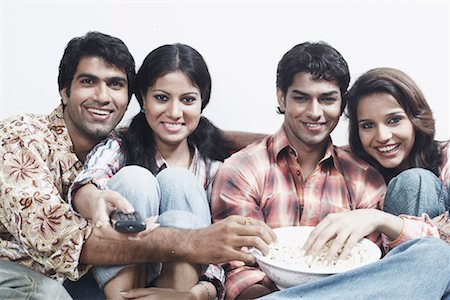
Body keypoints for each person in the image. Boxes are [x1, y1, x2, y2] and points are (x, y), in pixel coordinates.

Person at [0, 31, 275, 300]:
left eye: (115, 84)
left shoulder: (133, 140)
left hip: (104, 277)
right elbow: (59, 237)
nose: (102, 96)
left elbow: (182, 129)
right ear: (64, 91)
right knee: (135, 180)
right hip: (24, 270)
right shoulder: (22, 136)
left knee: (179, 180)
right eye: (88, 81)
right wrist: (194, 243)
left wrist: (275, 141)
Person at [210, 42, 450, 300]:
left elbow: (377, 274)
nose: (315, 113)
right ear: (282, 97)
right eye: (301, 98)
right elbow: (239, 268)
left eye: (327, 99)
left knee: (435, 255)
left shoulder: (365, 178)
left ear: (341, 103)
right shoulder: (243, 169)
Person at [68, 43, 240, 299]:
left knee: (178, 180)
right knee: (136, 178)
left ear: (202, 103)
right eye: (161, 98)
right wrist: (96, 202)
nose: (174, 112)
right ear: (143, 100)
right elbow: (87, 184)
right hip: (119, 275)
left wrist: (198, 293)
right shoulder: (119, 147)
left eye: (188, 100)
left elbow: (218, 249)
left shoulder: (214, 168)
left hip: (179, 289)